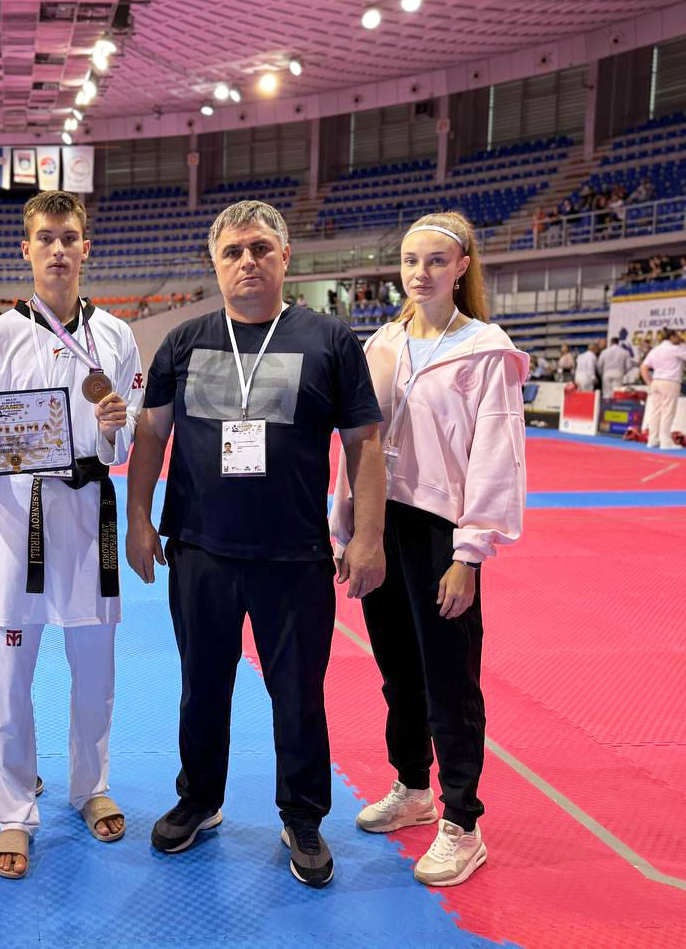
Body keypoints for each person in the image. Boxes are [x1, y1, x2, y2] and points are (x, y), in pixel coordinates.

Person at [126, 199, 385, 889]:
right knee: (200, 687)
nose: (248, 261)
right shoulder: (183, 341)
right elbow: (150, 433)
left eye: (261, 249)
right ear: (214, 264)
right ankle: (199, 798)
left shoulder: (329, 340)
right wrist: (139, 519)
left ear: (285, 258)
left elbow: (365, 443)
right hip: (200, 549)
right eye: (233, 251)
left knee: (297, 693)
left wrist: (368, 536)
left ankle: (302, 815)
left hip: (295, 554)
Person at [0, 190, 142, 880]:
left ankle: (91, 786)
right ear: (25, 249)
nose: (58, 249)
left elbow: (122, 444)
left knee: (96, 666)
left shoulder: (115, 335)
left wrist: (113, 428)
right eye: (46, 238)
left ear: (86, 246)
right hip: (18, 517)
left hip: (89, 516)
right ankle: (14, 812)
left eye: (69, 237)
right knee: (9, 675)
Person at [331, 211, 527, 887]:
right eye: (411, 261)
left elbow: (496, 453)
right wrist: (349, 525)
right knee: (397, 669)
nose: (421, 273)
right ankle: (414, 787)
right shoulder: (381, 342)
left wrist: (469, 554)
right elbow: (356, 441)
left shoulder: (485, 349)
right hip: (381, 522)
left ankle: (462, 823)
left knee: (450, 677)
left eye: (436, 261)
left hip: (442, 528)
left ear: (462, 267)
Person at [641, 330, 686, 449]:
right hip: (670, 382)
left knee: (655, 412)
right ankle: (666, 442)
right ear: (672, 337)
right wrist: (682, 345)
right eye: (677, 336)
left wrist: (650, 383)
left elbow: (643, 368)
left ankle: (652, 440)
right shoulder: (675, 349)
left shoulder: (655, 350)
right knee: (668, 412)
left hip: (656, 382)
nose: (679, 338)